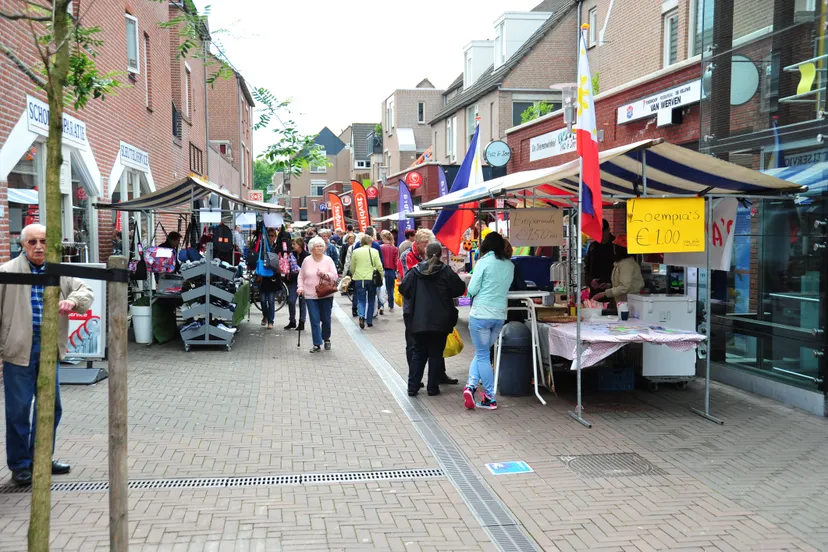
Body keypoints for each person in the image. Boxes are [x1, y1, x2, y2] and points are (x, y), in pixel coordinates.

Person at [1, 224, 94, 486]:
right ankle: (20, 465)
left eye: (43, 241)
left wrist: (73, 301)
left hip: (49, 347)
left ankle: (41, 458)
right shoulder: (7, 273)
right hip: (19, 348)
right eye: (32, 242)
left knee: (51, 407)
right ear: (23, 245)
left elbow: (85, 290)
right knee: (18, 410)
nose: (39, 246)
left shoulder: (59, 270)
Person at [401, 242, 466, 397]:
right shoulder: (446, 271)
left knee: (419, 352)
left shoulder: (415, 272)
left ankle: (412, 387)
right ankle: (432, 387)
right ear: (441, 254)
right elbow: (459, 288)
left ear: (426, 254)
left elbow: (404, 289)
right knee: (436, 353)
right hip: (441, 321)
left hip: (418, 320)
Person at [463, 232, 514, 411]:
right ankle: (470, 386)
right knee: (482, 353)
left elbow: (472, 288)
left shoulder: (483, 262)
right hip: (499, 316)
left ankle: (490, 397)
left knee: (483, 355)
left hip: (480, 315)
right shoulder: (510, 265)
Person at [298, 237, 339, 353]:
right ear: (312, 248)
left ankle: (326, 338)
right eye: (317, 246)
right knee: (314, 319)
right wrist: (300, 287)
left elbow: (335, 276)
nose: (320, 248)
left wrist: (324, 274)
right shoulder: (306, 260)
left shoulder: (328, 260)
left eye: (321, 246)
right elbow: (301, 276)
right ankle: (317, 343)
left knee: (326, 319)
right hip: (310, 295)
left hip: (325, 294)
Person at [592, 234, 645, 304]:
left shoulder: (626, 264)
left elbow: (624, 287)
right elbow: (624, 283)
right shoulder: (622, 263)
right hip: (624, 302)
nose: (613, 250)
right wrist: (608, 285)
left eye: (615, 247)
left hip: (629, 303)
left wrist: (605, 293)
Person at [351, 234, 383, 329]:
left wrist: (354, 274)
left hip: (359, 278)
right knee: (371, 299)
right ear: (370, 242)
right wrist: (381, 275)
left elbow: (352, 266)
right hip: (371, 278)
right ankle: (369, 320)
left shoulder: (355, 252)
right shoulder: (374, 251)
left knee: (361, 299)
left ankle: (361, 316)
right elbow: (379, 265)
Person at [584, 219, 615, 297]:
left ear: (608, 230)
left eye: (603, 232)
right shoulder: (593, 246)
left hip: (612, 292)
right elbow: (586, 268)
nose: (601, 235)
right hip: (595, 291)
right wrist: (590, 281)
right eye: (598, 232)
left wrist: (609, 284)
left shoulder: (616, 246)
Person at [258, 228, 281, 329]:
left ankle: (270, 321)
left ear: (275, 237)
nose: (271, 237)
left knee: (271, 300)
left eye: (272, 236)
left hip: (273, 276)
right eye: (269, 235)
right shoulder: (263, 246)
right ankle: (265, 316)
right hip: (263, 276)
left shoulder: (277, 247)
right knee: (263, 300)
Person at [284, 237, 308, 331]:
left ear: (300, 245)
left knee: (302, 302)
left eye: (295, 244)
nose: (293, 246)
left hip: (303, 282)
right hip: (293, 281)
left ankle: (302, 322)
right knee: (291, 301)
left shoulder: (306, 256)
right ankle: (292, 321)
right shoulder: (292, 254)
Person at [379, 230, 398, 313]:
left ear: (384, 238)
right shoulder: (395, 248)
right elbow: (396, 261)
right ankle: (391, 306)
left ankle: (381, 305)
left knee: (381, 289)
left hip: (382, 270)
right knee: (390, 289)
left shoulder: (380, 247)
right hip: (391, 270)